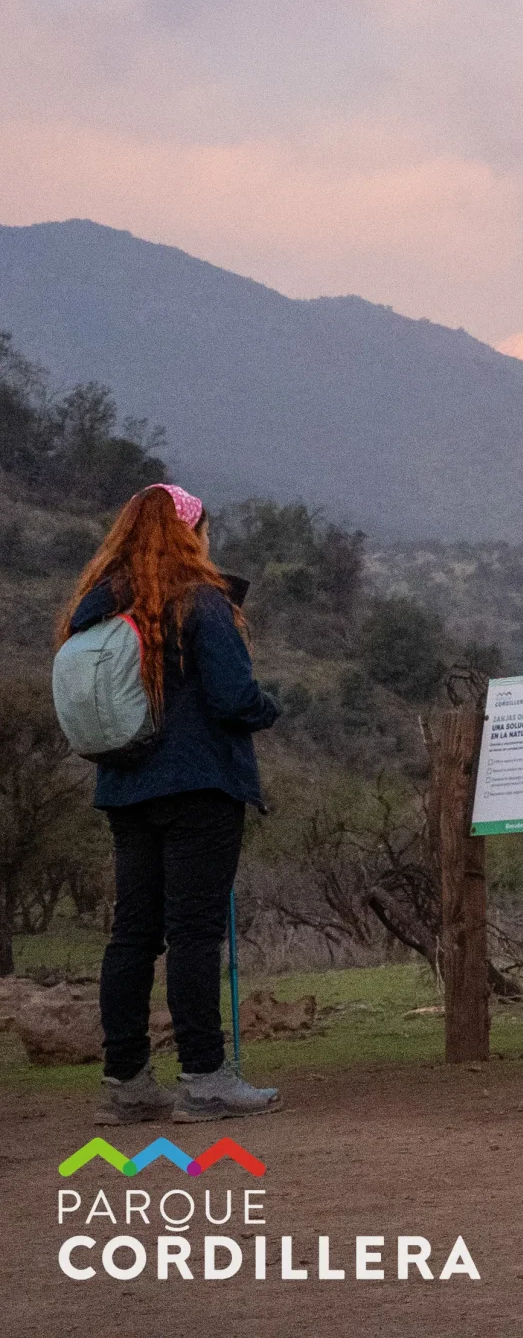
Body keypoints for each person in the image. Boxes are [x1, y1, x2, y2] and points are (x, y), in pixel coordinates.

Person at [63, 482, 284, 1126]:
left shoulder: (96, 607)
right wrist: (269, 707)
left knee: (133, 933)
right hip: (199, 786)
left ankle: (126, 1083)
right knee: (194, 931)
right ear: (192, 534)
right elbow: (232, 698)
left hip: (124, 787)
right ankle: (206, 1078)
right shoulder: (200, 601)